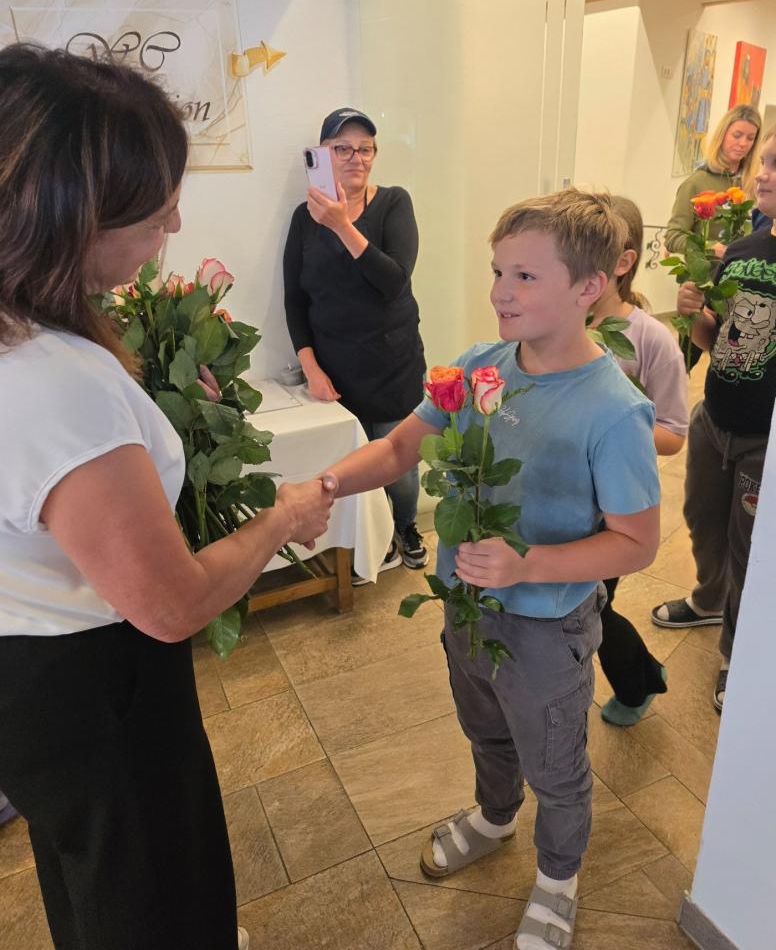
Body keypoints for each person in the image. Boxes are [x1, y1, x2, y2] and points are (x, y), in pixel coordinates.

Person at [0, 43, 334, 950]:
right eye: (155, 213)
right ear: (66, 219)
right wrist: (283, 518)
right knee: (150, 890)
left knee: (91, 871)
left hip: (28, 668)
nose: (176, 224)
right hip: (94, 681)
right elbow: (170, 604)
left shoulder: (26, 334)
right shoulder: (52, 383)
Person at [321, 189, 660, 950]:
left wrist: (527, 564)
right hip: (468, 605)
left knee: (556, 760)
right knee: (485, 725)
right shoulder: (479, 365)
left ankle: (558, 879)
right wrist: (329, 483)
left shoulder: (614, 411)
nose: (501, 291)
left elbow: (637, 543)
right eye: (498, 271)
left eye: (525, 276)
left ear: (590, 286)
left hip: (547, 627)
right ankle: (496, 815)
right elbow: (402, 447)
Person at [653, 125, 776, 712]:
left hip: (763, 437)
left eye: (773, 165)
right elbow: (717, 338)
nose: (762, 174)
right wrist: (694, 314)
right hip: (714, 417)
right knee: (702, 521)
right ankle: (707, 600)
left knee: (749, 549)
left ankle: (736, 654)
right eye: (764, 162)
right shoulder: (745, 251)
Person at [283, 107, 427, 579]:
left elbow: (394, 282)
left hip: (392, 364)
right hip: (334, 370)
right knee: (352, 468)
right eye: (342, 148)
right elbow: (295, 301)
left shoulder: (394, 203)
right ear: (322, 155)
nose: (356, 158)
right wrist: (311, 369)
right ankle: (371, 538)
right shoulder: (303, 220)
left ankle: (404, 527)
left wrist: (343, 224)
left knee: (399, 464)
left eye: (365, 149)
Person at [588, 196, 689, 726]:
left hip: (616, 503)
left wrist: (611, 429)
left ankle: (637, 682)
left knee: (592, 605)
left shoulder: (652, 338)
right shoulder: (558, 319)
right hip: (563, 491)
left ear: (622, 263)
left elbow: (673, 434)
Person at [666, 104, 762, 371]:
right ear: (722, 135)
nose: (743, 144)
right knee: (683, 362)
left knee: (732, 360)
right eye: (737, 135)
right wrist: (711, 248)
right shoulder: (696, 182)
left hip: (741, 291)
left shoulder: (754, 184)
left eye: (750, 138)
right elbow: (673, 236)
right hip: (704, 287)